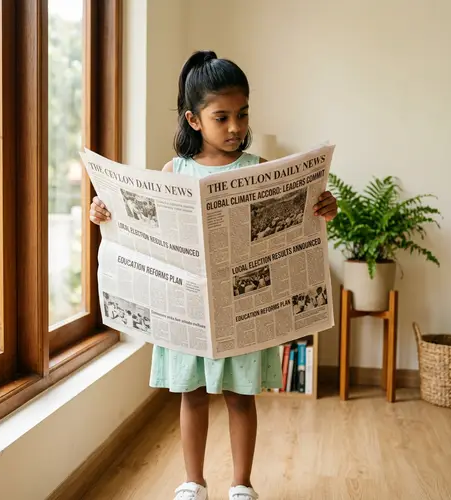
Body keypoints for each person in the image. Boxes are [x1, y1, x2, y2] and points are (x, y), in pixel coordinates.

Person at [89, 50, 338, 500]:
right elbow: (143, 232)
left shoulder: (258, 169)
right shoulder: (174, 171)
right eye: (221, 117)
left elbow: (291, 227)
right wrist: (104, 212)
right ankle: (193, 481)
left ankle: (242, 484)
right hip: (187, 311)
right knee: (192, 394)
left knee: (242, 397)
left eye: (242, 115)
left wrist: (323, 207)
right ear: (194, 119)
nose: (235, 127)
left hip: (239, 309)